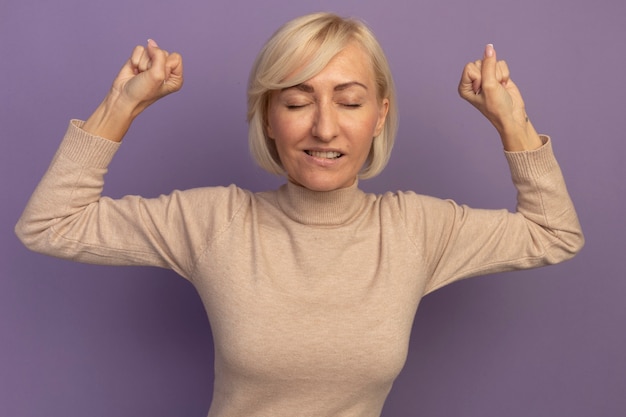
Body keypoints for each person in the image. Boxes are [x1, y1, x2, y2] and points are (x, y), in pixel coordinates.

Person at [15, 12, 584, 417]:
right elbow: (49, 223)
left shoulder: (416, 231)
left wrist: (512, 121)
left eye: (351, 101)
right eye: (295, 101)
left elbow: (554, 233)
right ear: (267, 116)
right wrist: (122, 104)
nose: (325, 127)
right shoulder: (214, 222)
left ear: (380, 115)